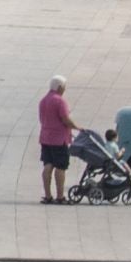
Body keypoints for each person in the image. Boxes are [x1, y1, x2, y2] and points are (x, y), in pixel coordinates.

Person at [37, 74, 78, 205]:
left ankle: (48, 195)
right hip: (59, 139)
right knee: (61, 167)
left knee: (48, 164)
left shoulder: (43, 101)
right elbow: (65, 119)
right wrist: (77, 127)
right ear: (60, 87)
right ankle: (60, 196)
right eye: (64, 87)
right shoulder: (60, 101)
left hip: (45, 138)